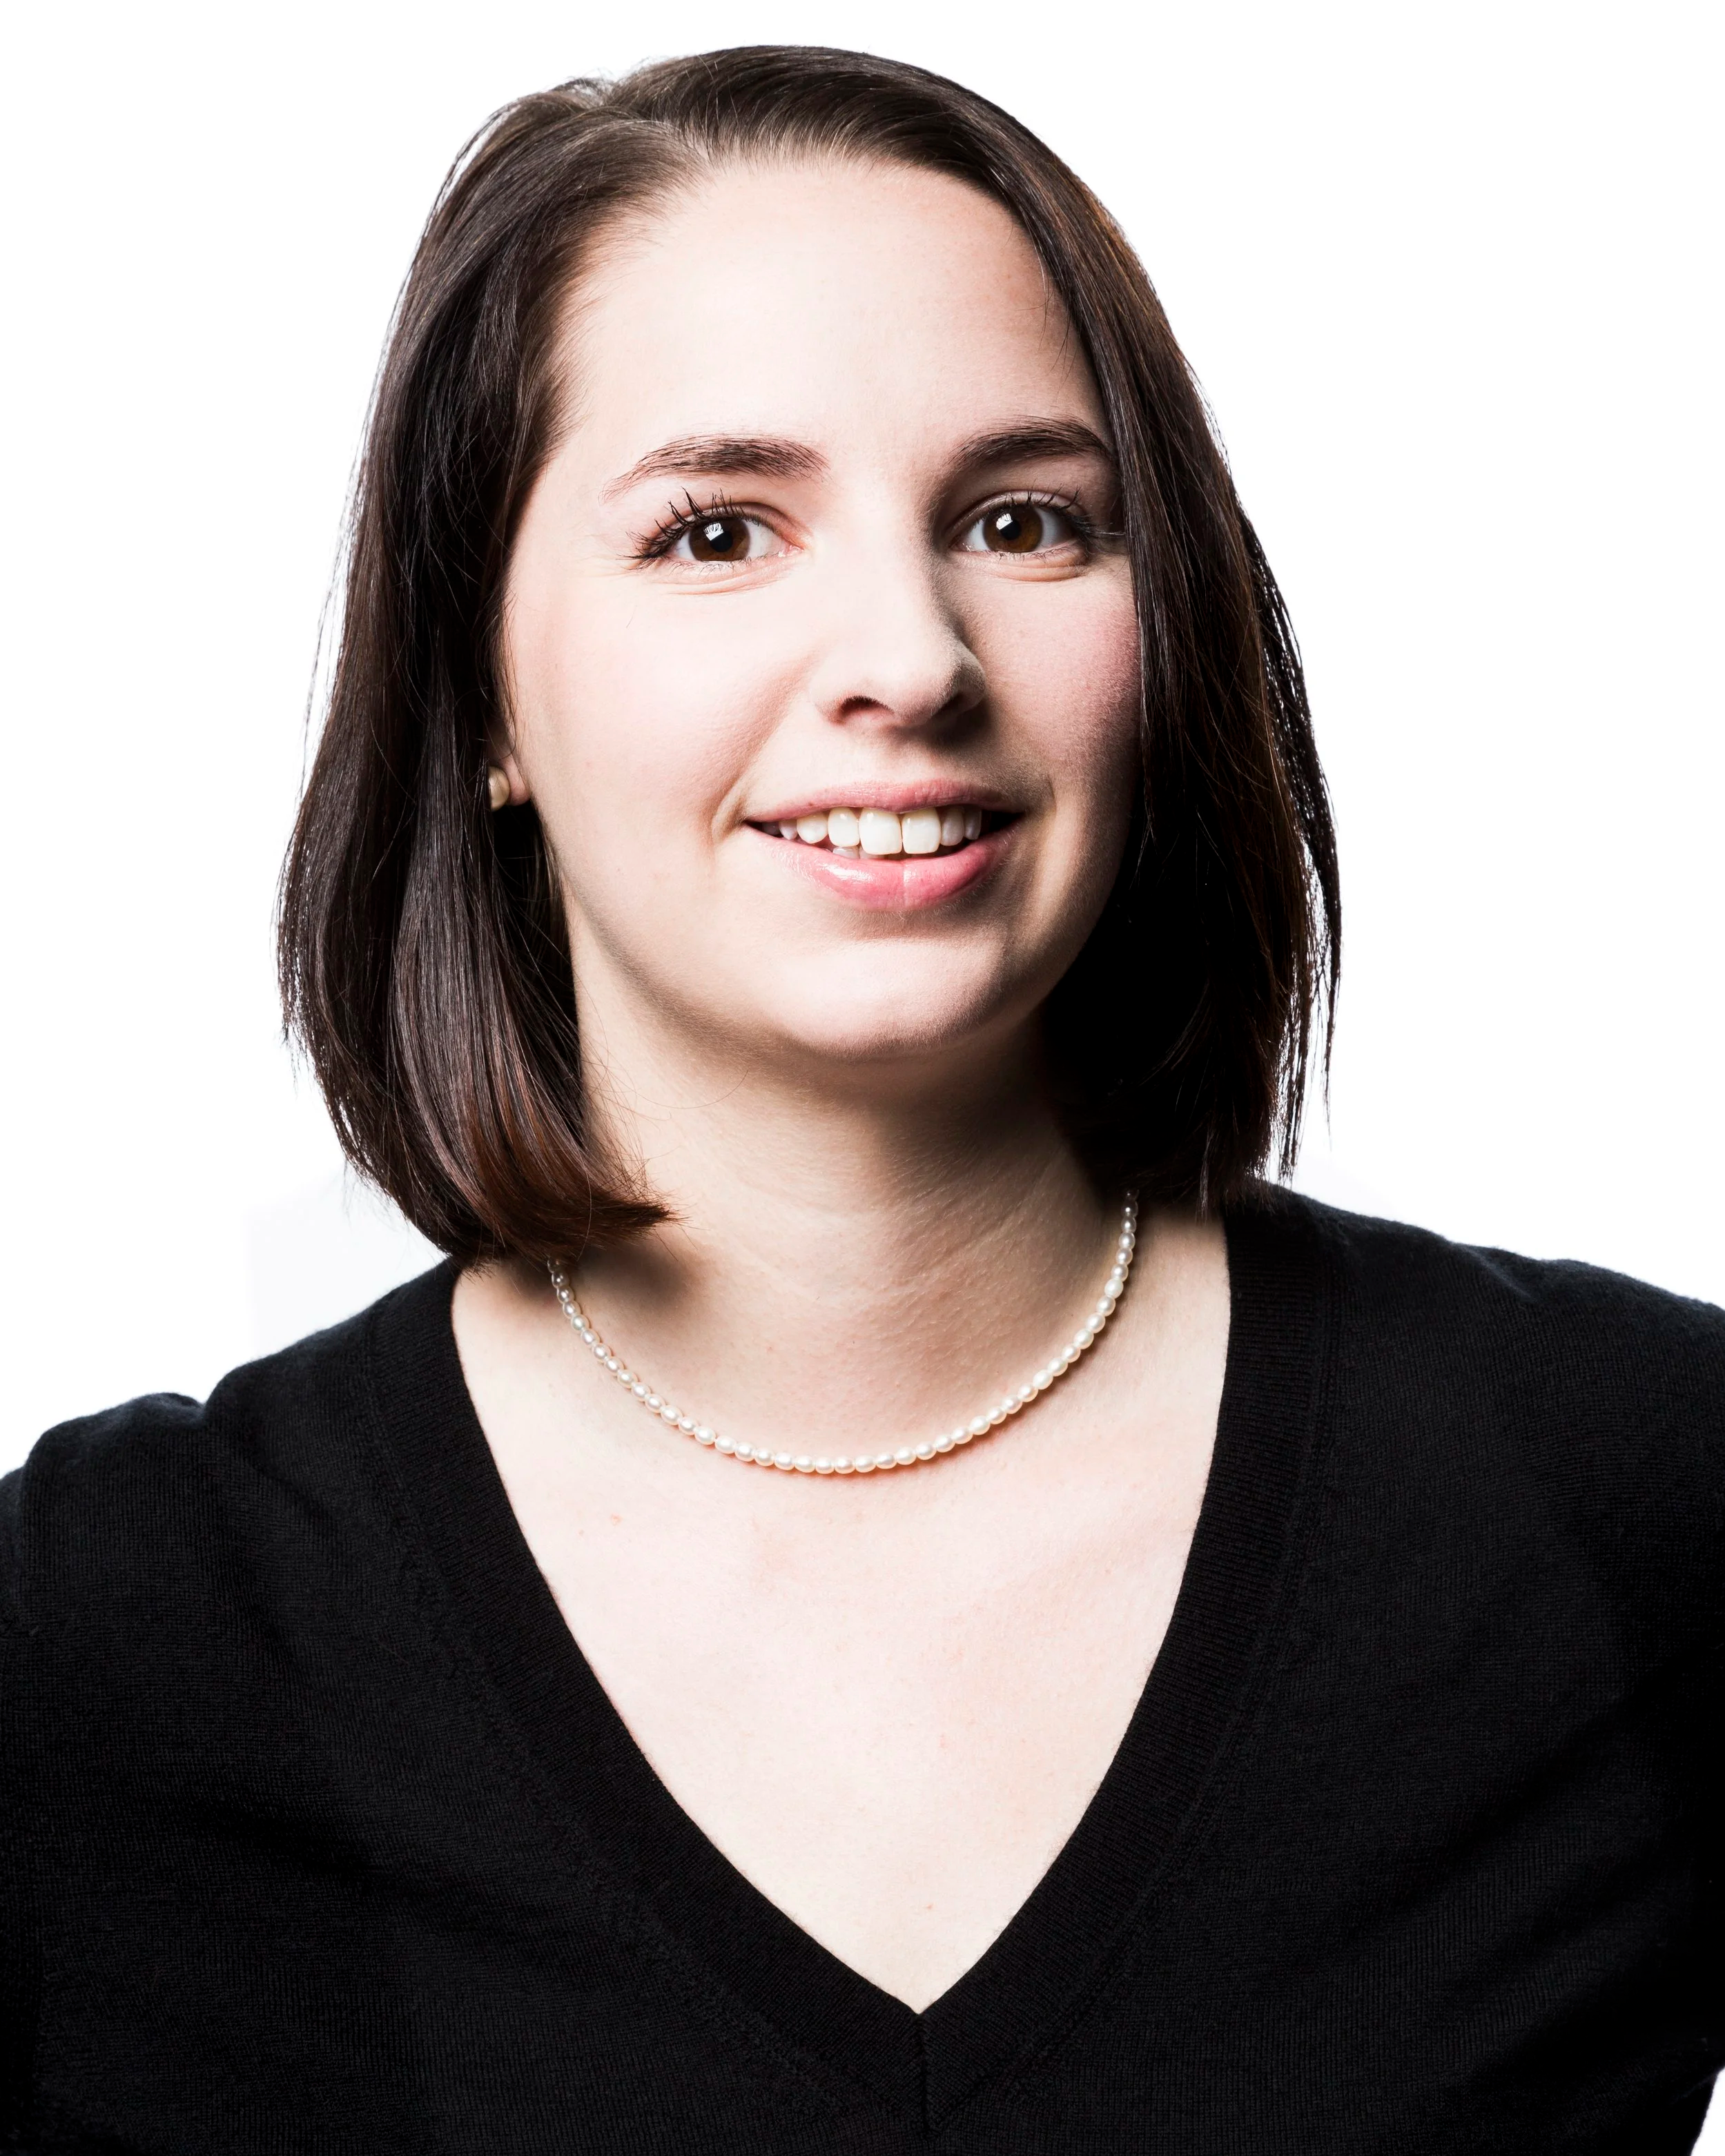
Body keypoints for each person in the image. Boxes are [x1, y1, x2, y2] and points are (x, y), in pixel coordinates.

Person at [1, 45, 1719, 2155]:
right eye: (718, 531)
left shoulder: (1646, 1489)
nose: (909, 653)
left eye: (1024, 521)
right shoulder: (105, 1640)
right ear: (481, 690)